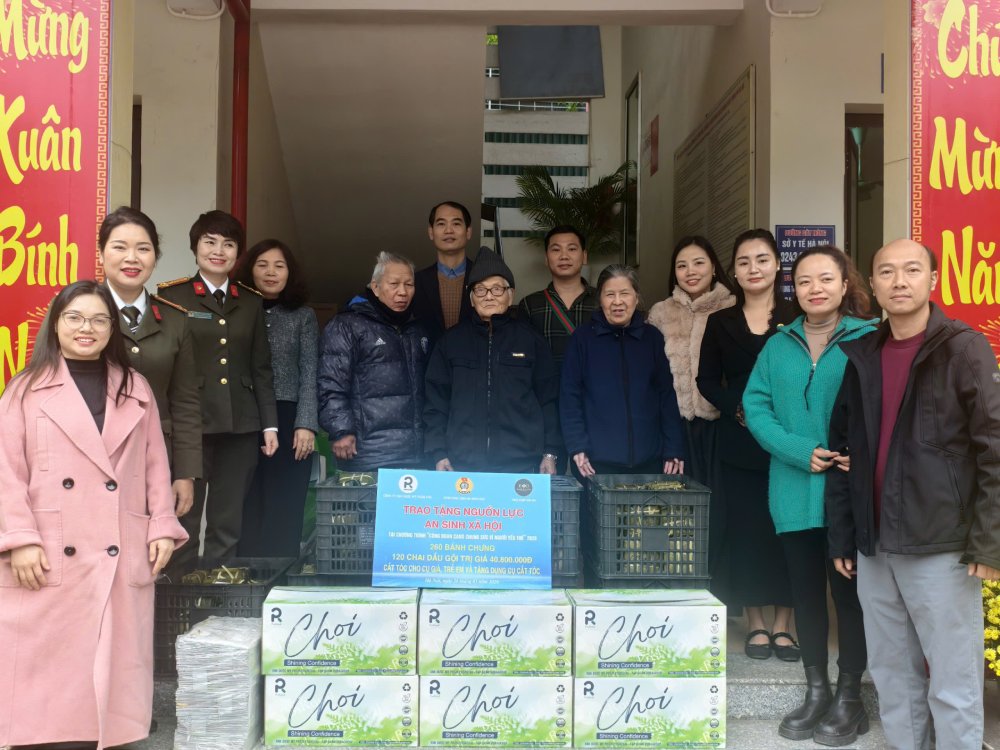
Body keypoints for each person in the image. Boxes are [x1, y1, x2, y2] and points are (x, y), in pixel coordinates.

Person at [827, 238, 1000, 750]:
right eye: (886, 272)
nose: (899, 281)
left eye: (911, 270)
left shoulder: (964, 347)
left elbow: (995, 447)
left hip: (940, 543)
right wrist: (844, 537)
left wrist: (989, 542)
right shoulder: (861, 355)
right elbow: (843, 452)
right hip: (875, 544)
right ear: (872, 285)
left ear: (933, 280)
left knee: (953, 680)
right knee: (891, 672)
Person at [0, 281, 188, 748]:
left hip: (118, 541)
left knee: (117, 651)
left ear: (113, 328)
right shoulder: (24, 389)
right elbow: (5, 469)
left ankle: (110, 729)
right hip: (48, 544)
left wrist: (162, 523)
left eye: (99, 319)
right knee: (49, 658)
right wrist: (19, 537)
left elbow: (154, 463)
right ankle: (46, 733)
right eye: (75, 318)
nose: (87, 328)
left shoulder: (134, 386)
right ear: (56, 324)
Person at [743, 245, 877, 745]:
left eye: (825, 279)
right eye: (803, 281)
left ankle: (850, 696)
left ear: (845, 285)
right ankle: (815, 689)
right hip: (794, 487)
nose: (814, 289)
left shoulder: (869, 340)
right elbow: (755, 407)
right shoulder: (779, 346)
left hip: (850, 491)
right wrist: (801, 450)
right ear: (792, 290)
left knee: (850, 596)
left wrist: (852, 454)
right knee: (805, 595)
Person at [157, 210, 278, 569]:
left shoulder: (251, 301)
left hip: (240, 424)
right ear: (195, 247)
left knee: (227, 524)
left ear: (237, 253)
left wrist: (269, 424)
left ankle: (212, 607)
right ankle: (178, 604)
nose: (218, 251)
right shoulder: (172, 296)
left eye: (228, 244)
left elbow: (261, 367)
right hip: (191, 424)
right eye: (210, 242)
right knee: (185, 520)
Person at [697, 229, 796, 662]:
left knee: (788, 532)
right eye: (744, 262)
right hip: (739, 439)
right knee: (748, 531)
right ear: (733, 271)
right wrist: (740, 409)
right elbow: (705, 380)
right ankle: (756, 623)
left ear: (777, 264)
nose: (753, 268)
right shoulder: (721, 322)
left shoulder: (797, 315)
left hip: (793, 441)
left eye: (761, 259)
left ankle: (785, 625)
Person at [98, 206, 202, 520]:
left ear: (155, 257)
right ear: (101, 253)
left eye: (143, 249)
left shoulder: (175, 321)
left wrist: (185, 472)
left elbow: (185, 401)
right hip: (94, 455)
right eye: (119, 247)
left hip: (156, 459)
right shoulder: (76, 311)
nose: (132, 258)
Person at [424, 248, 560, 474]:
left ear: (511, 294)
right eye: (480, 289)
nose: (488, 296)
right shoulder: (450, 342)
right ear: (471, 298)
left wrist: (550, 452)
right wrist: (439, 452)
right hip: (461, 464)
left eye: (497, 289)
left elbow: (549, 400)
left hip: (521, 464)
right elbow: (436, 402)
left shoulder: (530, 341)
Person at [561, 264, 686, 479]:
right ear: (600, 299)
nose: (617, 302)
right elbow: (569, 395)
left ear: (636, 298)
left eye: (624, 294)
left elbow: (666, 395)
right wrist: (577, 445)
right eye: (610, 294)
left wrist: (673, 447)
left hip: (649, 461)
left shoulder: (652, 338)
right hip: (595, 463)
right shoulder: (582, 339)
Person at [235, 239, 318, 557]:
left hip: (290, 418)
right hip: (243, 416)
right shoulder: (237, 312)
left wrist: (307, 423)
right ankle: (244, 587)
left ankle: (279, 582)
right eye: (262, 264)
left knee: (285, 503)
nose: (271, 272)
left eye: (279, 266)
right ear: (249, 270)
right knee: (245, 502)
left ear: (289, 273)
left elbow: (310, 370)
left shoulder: (302, 316)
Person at [318, 251, 429, 471]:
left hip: (415, 453)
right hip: (368, 451)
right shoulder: (347, 325)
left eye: (409, 284)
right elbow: (330, 383)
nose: (402, 292)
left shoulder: (418, 328)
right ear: (375, 287)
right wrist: (341, 430)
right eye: (394, 284)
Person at [648, 235, 736, 486]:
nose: (690, 272)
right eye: (681, 265)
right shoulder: (660, 313)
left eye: (698, 263)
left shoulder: (732, 309)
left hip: (722, 424)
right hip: (674, 425)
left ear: (714, 267)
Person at [517, 224, 598, 372]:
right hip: (546, 393)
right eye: (556, 249)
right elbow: (523, 359)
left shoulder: (602, 301)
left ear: (584, 256)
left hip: (595, 392)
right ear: (546, 258)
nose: (564, 256)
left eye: (572, 249)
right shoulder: (530, 305)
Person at [411, 200, 476, 343]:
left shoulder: (483, 278)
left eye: (456, 223)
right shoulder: (415, 282)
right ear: (431, 232)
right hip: (428, 363)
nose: (448, 230)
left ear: (468, 232)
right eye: (441, 224)